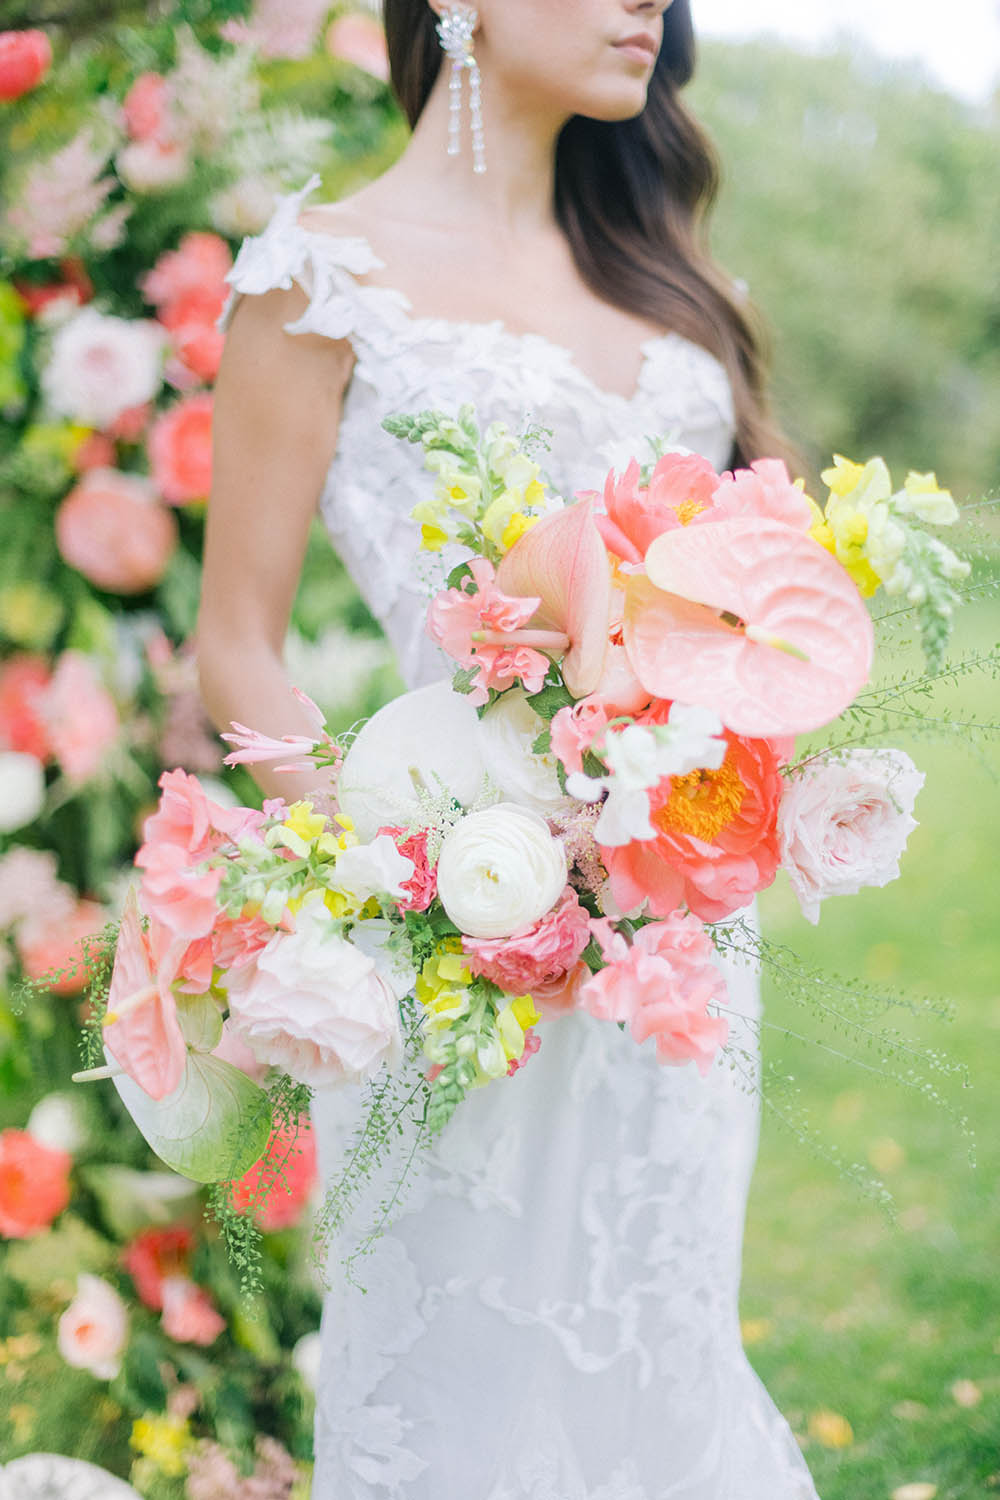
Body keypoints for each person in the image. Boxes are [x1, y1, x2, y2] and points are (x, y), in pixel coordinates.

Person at [198, 1, 821, 1494]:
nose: (647, 6)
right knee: (462, 1389)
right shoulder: (319, 280)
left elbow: (773, 607)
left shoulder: (673, 283)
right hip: (452, 942)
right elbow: (237, 641)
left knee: (657, 1345)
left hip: (678, 943)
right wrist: (405, 880)